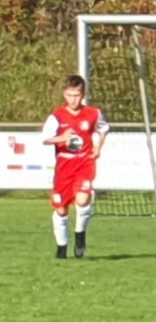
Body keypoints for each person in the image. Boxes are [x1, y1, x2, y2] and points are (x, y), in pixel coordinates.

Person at [43, 74, 108, 259]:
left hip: (84, 162)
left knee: (82, 199)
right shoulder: (56, 116)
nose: (74, 99)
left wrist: (98, 146)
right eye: (70, 95)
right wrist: (61, 138)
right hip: (64, 166)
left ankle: (80, 237)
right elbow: (45, 138)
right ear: (64, 94)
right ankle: (61, 249)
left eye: (77, 95)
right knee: (61, 209)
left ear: (83, 94)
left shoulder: (93, 113)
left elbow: (104, 129)